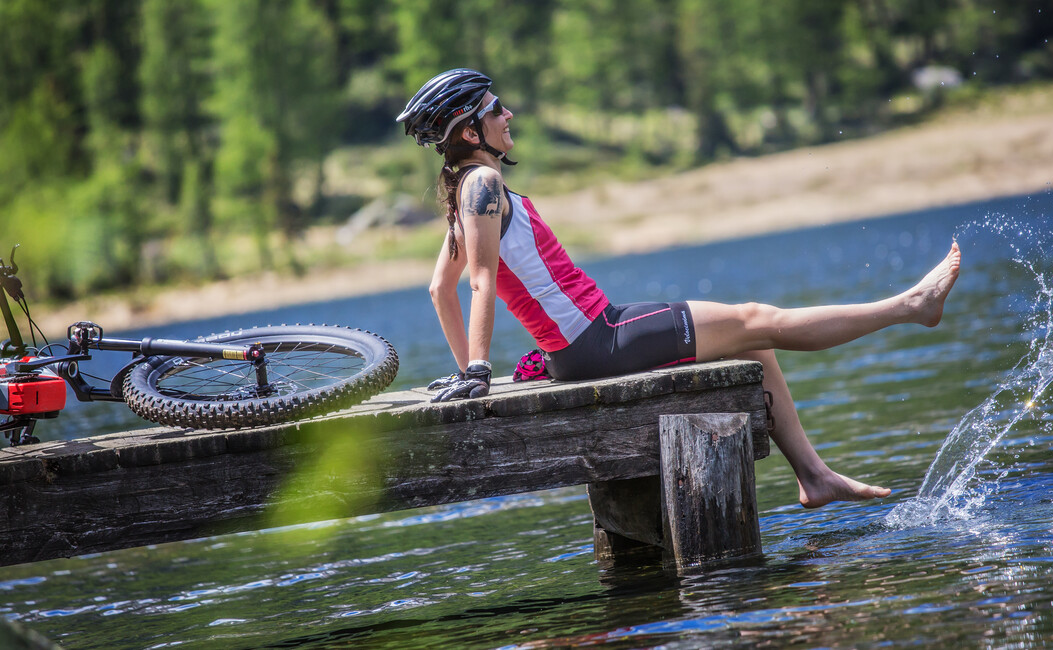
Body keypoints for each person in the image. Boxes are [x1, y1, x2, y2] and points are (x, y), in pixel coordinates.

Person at [398, 69, 962, 508]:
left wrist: (469, 372)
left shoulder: (463, 198)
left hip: (585, 343)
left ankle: (814, 477)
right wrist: (476, 373)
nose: (508, 113)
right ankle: (912, 307)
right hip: (599, 339)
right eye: (496, 109)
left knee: (750, 340)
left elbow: (437, 291)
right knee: (756, 318)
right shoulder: (484, 183)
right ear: (471, 131)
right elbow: (479, 280)